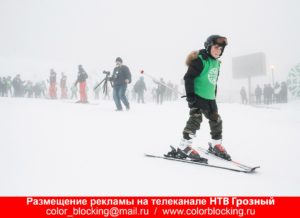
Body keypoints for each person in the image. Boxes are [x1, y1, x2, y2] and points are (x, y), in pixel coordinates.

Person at [165, 35, 231, 162]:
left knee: (216, 120)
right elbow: (188, 78)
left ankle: (215, 144)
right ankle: (184, 146)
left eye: (221, 48)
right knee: (195, 120)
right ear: (208, 46)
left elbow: (213, 82)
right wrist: (190, 96)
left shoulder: (217, 63)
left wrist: (213, 96)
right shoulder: (200, 60)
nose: (218, 50)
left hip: (210, 98)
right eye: (216, 47)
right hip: (197, 97)